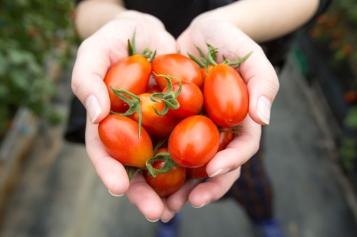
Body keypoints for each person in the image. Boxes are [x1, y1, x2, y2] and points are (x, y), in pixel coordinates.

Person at [65, 1, 331, 236]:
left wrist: (229, 22)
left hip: (219, 117)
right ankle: (167, 215)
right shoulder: (153, 105)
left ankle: (263, 219)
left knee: (241, 172)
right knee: (165, 187)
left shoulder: (190, 99)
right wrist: (119, 21)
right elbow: (89, 6)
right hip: (172, 101)